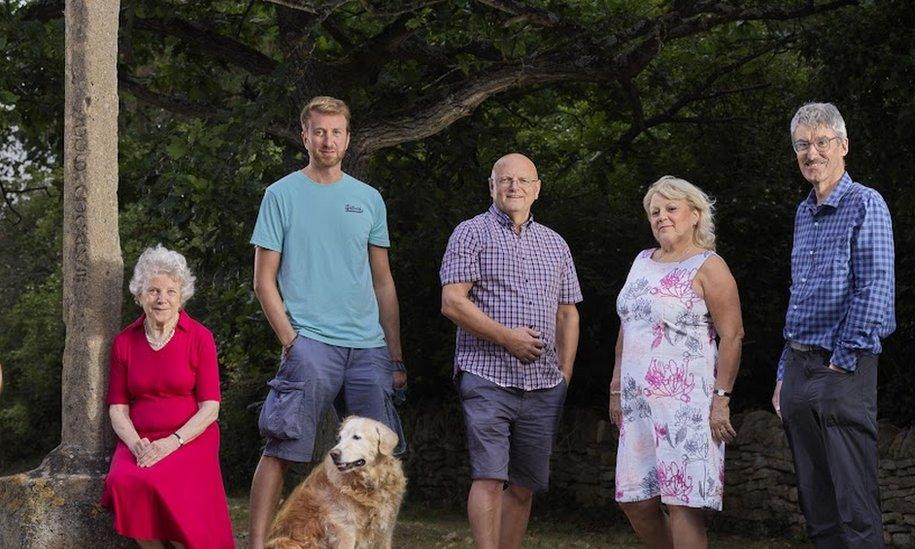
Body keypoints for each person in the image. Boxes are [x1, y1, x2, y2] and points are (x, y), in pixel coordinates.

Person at [247, 95, 407, 548]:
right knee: (281, 447)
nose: (328, 140)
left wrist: (394, 354)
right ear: (305, 136)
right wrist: (291, 341)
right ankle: (257, 544)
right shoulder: (280, 195)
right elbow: (264, 281)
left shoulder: (368, 199)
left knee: (380, 459)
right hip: (311, 342)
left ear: (348, 138)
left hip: (368, 347)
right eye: (319, 131)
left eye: (336, 132)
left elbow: (383, 283)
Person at [440, 153, 582, 549]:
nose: (513, 187)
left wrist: (565, 373)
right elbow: (452, 301)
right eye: (505, 180)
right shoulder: (471, 233)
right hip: (487, 375)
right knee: (488, 476)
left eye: (523, 180)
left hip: (543, 384)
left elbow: (568, 313)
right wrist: (507, 338)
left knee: (523, 485)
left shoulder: (555, 243)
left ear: (536, 189)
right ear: (492, 186)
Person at [770, 102, 895, 548]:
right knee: (816, 504)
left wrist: (840, 364)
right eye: (802, 145)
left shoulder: (866, 203)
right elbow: (798, 297)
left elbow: (876, 288)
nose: (811, 152)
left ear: (843, 145)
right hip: (800, 367)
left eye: (822, 141)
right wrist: (786, 372)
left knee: (855, 507)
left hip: (843, 368)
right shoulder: (804, 213)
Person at [609, 176, 744, 548]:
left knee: (681, 501)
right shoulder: (640, 262)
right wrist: (615, 387)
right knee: (634, 500)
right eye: (655, 211)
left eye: (671, 208)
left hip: (687, 405)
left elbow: (733, 336)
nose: (662, 217)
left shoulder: (709, 266)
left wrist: (721, 399)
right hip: (638, 405)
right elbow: (628, 326)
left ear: (695, 214)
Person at [101, 244, 234, 549]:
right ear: (139, 296)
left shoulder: (200, 338)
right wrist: (136, 445)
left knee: (167, 486)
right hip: (141, 441)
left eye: (170, 291)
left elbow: (210, 408)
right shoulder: (124, 342)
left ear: (181, 295)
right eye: (153, 291)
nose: (162, 299)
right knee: (124, 481)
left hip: (190, 438)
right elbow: (117, 409)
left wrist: (173, 441)